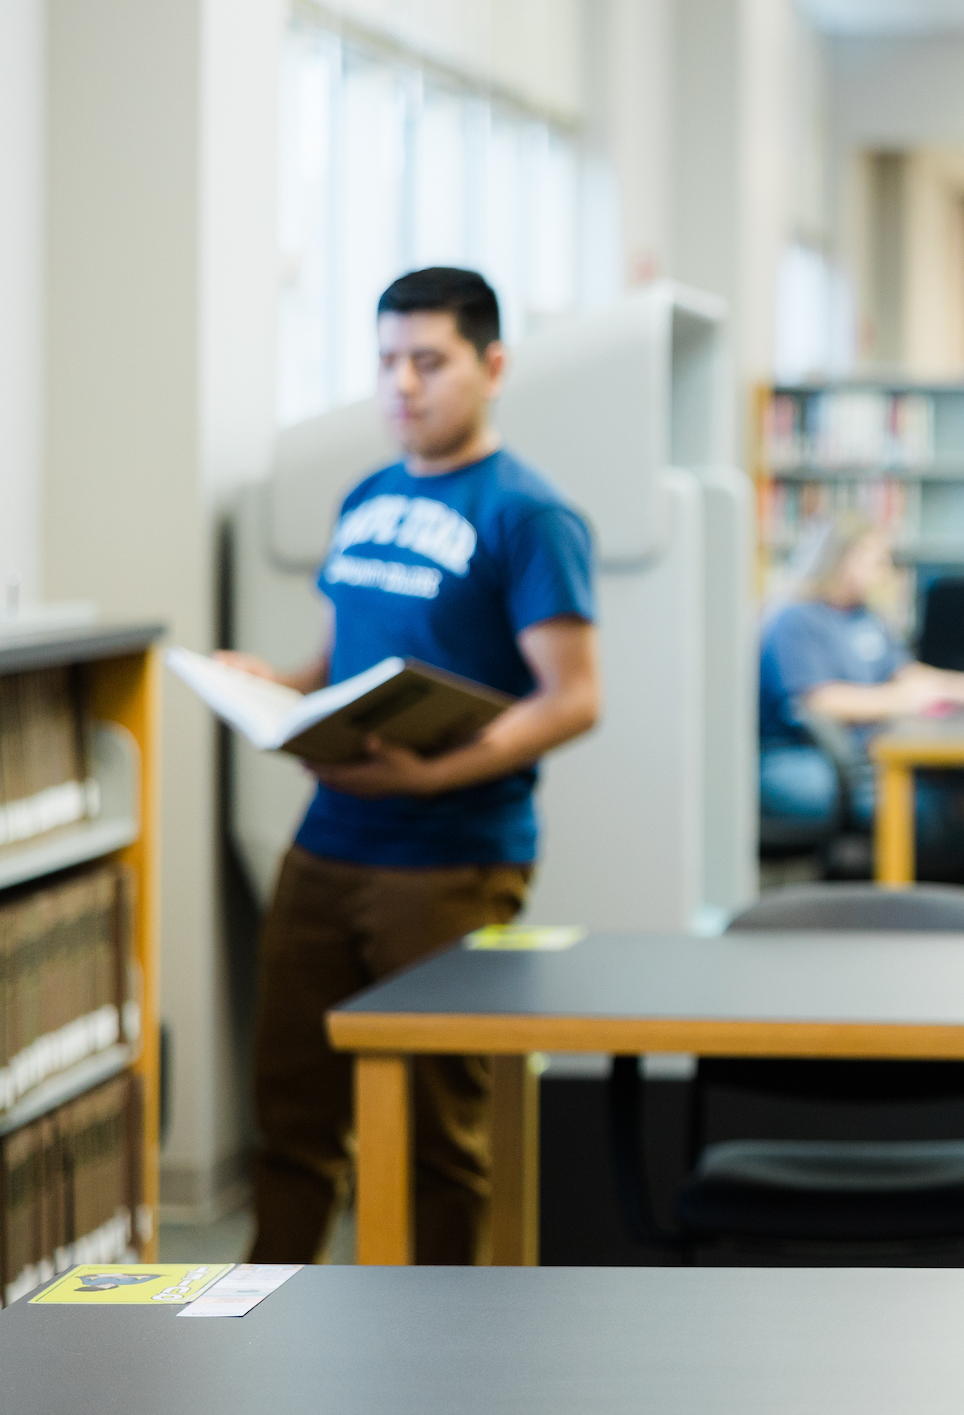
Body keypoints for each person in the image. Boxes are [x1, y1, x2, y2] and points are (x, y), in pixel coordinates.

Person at [217, 267, 600, 1264]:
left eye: (429, 361)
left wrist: (439, 773)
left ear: (493, 365)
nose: (404, 386)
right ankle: (268, 1308)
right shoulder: (367, 495)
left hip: (449, 859)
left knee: (440, 1132)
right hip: (328, 843)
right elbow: (333, 659)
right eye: (388, 361)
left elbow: (572, 696)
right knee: (292, 1109)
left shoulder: (528, 514)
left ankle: (438, 1367)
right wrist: (273, 685)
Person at [758, 516, 964, 878]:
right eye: (876, 560)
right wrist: (904, 700)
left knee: (947, 792)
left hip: (860, 755)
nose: (884, 572)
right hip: (799, 760)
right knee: (918, 805)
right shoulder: (795, 620)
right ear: (843, 559)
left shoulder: (864, 616)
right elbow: (819, 701)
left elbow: (904, 673)